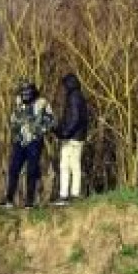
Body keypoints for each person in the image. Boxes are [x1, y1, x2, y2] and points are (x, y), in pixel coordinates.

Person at [1, 81, 53, 208]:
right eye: (23, 92)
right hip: (19, 141)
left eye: (28, 91)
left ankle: (30, 201)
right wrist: (15, 132)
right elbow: (13, 119)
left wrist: (38, 132)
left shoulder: (42, 103)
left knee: (32, 170)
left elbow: (50, 120)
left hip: (34, 142)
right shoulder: (18, 103)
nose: (25, 94)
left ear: (33, 91)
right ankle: (8, 199)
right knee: (13, 169)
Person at [52, 73, 90, 205]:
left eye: (65, 84)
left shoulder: (73, 97)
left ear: (69, 84)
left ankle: (64, 196)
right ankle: (75, 194)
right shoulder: (79, 96)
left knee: (65, 166)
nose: (64, 87)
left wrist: (64, 133)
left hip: (72, 138)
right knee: (75, 165)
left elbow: (74, 118)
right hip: (79, 136)